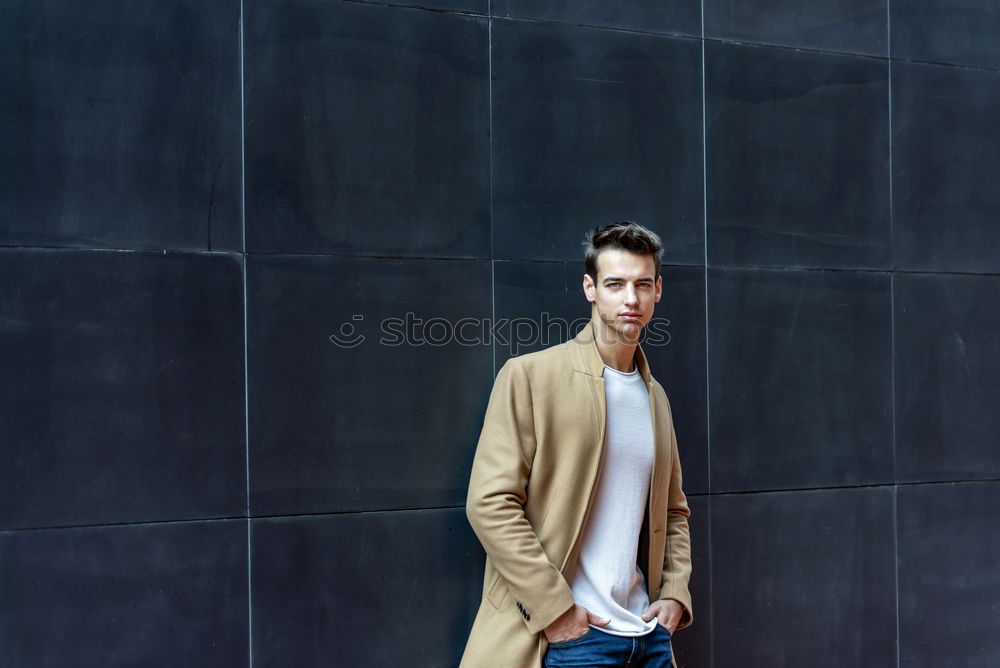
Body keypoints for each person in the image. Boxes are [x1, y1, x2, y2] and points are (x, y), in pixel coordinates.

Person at [460, 222, 694, 668]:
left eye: (643, 285)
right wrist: (556, 612)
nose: (631, 299)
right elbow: (490, 503)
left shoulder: (655, 397)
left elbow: (673, 511)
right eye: (615, 284)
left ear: (658, 290)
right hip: (573, 639)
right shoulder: (530, 376)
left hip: (648, 637)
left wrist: (675, 595)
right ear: (590, 288)